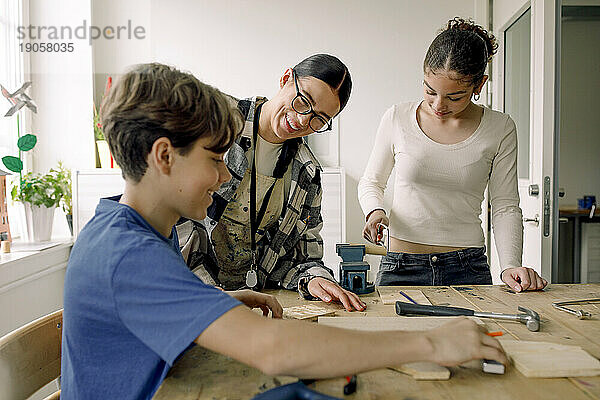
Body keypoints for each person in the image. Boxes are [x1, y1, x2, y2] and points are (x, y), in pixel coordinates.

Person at [61, 63, 507, 399]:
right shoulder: (129, 255)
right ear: (164, 157)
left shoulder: (125, 231)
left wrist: (215, 304)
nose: (222, 178)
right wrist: (430, 342)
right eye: (216, 160)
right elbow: (274, 350)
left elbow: (147, 304)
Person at [358, 18, 547, 292]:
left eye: (455, 97)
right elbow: (372, 182)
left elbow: (505, 205)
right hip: (401, 266)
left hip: (466, 267)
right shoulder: (397, 117)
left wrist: (510, 264)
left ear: (479, 84)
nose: (438, 105)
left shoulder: (500, 128)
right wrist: (375, 211)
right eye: (429, 91)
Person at [177, 54, 365, 311]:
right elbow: (176, 218)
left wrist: (314, 277)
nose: (302, 120)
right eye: (303, 101)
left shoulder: (307, 174)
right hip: (192, 296)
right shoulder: (217, 119)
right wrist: (214, 298)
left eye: (319, 119)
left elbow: (302, 253)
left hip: (255, 302)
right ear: (286, 78)